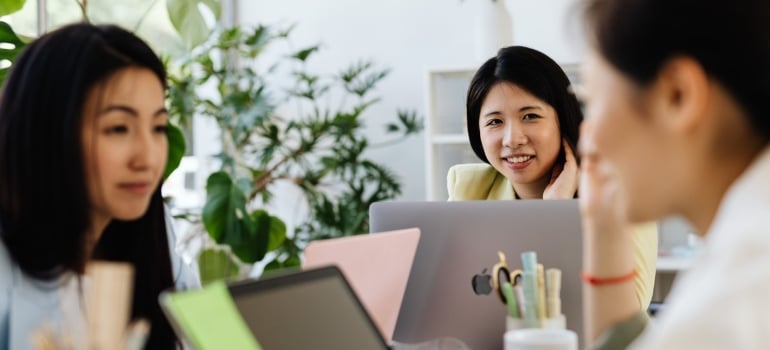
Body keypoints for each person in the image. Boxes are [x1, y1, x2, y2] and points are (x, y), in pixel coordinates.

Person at [577, 0, 770, 348]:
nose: (587, 137)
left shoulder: (727, 306)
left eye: (593, 101)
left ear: (677, 96)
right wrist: (602, 228)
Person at [0, 23, 199, 349]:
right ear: (48, 134)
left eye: (159, 127)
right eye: (119, 128)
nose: (147, 158)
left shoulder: (154, 232)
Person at [446, 45, 657, 309]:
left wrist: (558, 214)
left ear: (563, 119)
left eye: (530, 116)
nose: (512, 139)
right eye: (495, 122)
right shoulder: (471, 190)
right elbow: (456, 303)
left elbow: (627, 315)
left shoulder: (618, 194)